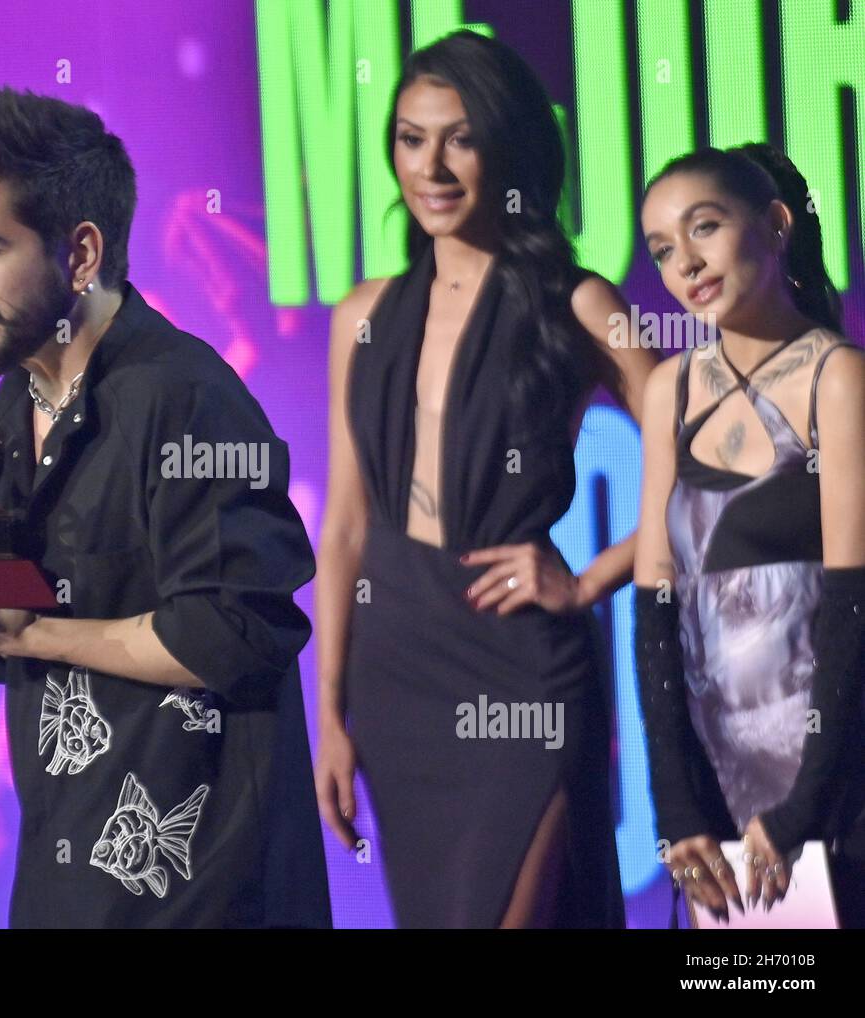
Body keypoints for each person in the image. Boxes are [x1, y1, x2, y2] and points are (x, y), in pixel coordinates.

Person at [0, 86, 330, 928]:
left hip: (198, 892)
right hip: (66, 879)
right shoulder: (10, 413)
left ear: (79, 253)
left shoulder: (185, 399)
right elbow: (42, 649)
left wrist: (25, 630)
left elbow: (232, 634)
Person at [313, 31, 657, 927]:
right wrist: (332, 712)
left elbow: (699, 451)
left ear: (506, 148)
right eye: (409, 137)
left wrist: (588, 577)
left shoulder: (578, 303)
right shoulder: (361, 316)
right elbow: (345, 526)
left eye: (459, 138)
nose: (430, 166)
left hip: (521, 666)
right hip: (397, 678)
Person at [634, 142, 865, 927]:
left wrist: (805, 810)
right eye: (663, 250)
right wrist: (675, 806)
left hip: (834, 787)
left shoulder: (837, 379)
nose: (685, 263)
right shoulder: (670, 390)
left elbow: (852, 610)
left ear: (774, 224)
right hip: (715, 790)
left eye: (704, 228)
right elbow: (653, 613)